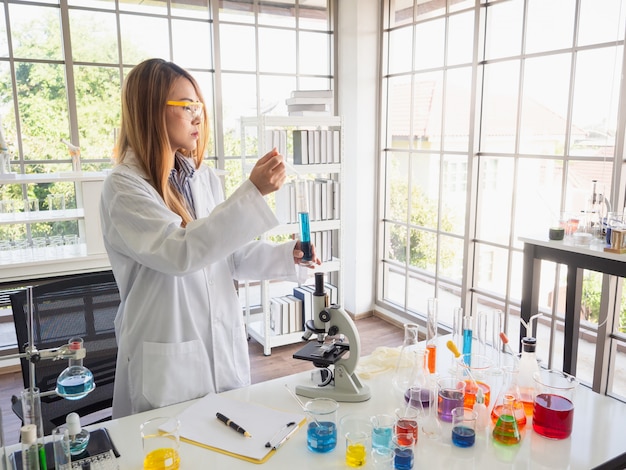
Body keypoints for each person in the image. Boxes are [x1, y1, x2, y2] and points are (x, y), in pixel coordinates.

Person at [100, 58, 320, 418]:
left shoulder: (202, 178)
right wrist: (252, 192)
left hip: (221, 349)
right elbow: (179, 253)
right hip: (167, 358)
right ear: (150, 111)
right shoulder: (124, 187)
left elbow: (228, 253)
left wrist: (287, 255)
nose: (198, 116)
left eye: (198, 105)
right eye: (187, 107)